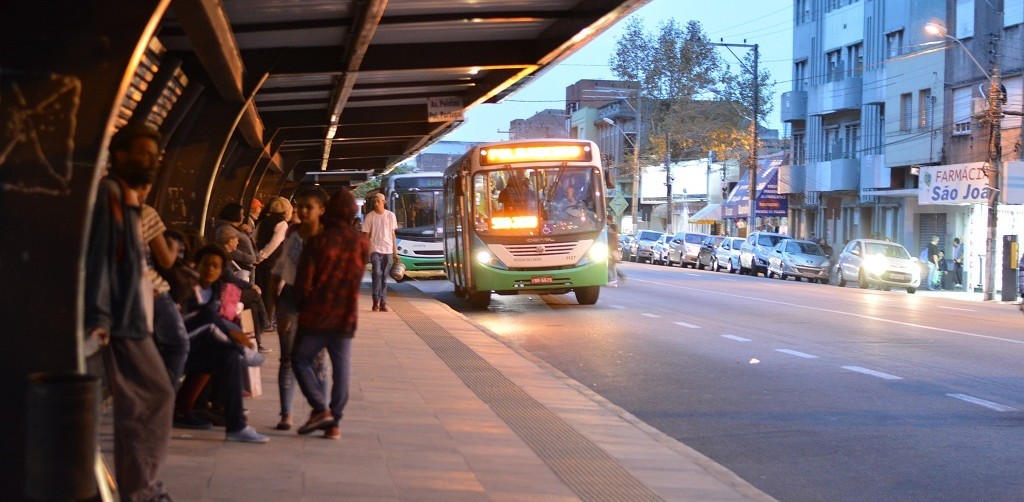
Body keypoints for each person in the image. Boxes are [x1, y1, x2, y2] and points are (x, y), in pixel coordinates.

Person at [84, 122, 175, 500]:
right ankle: (141, 491)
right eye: (143, 154)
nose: (151, 162)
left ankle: (140, 488)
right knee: (151, 399)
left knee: (142, 401)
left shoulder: (126, 197)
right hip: (121, 320)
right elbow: (100, 260)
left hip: (129, 315)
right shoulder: (110, 195)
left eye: (155, 157)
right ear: (119, 154)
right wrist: (101, 318)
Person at [293, 189, 370, 439]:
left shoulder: (318, 241)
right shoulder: (361, 243)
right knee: (342, 368)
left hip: (317, 313)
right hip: (346, 315)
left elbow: (305, 281)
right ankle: (334, 423)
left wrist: (299, 306)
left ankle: (319, 408)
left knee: (299, 359)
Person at [176, 244, 269, 443]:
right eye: (206, 264)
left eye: (216, 266)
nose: (210, 269)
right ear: (196, 265)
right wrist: (232, 337)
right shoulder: (186, 287)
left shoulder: (217, 290)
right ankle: (241, 350)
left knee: (228, 357)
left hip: (195, 349)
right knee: (210, 321)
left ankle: (236, 425)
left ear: (221, 271)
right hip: (174, 347)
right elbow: (187, 323)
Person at [271, 188, 331, 431]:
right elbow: (282, 266)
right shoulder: (293, 232)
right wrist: (276, 301)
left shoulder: (329, 237)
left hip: (318, 303)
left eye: (308, 207)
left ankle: (322, 411)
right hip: (290, 299)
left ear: (322, 210)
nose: (302, 212)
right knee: (287, 359)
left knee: (318, 360)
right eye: (299, 207)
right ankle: (286, 414)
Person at [139, 184, 190, 389]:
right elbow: (166, 260)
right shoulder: (145, 213)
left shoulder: (101, 207)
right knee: (178, 344)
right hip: (151, 289)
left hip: (118, 293)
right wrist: (174, 246)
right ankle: (165, 400)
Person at [255, 197, 293, 326]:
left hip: (261, 263)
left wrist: (257, 257)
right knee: (272, 292)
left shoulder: (263, 222)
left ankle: (264, 320)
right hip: (273, 262)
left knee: (263, 290)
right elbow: (274, 243)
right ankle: (268, 321)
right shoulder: (282, 224)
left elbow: (254, 238)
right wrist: (262, 256)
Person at [362, 192, 398, 312]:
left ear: (384, 202)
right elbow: (366, 235)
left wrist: (395, 252)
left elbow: (393, 234)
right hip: (374, 249)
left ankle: (383, 301)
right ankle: (376, 299)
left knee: (384, 276)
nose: (376, 203)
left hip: (387, 249)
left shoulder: (391, 216)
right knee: (377, 272)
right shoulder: (370, 216)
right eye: (374, 201)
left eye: (378, 201)